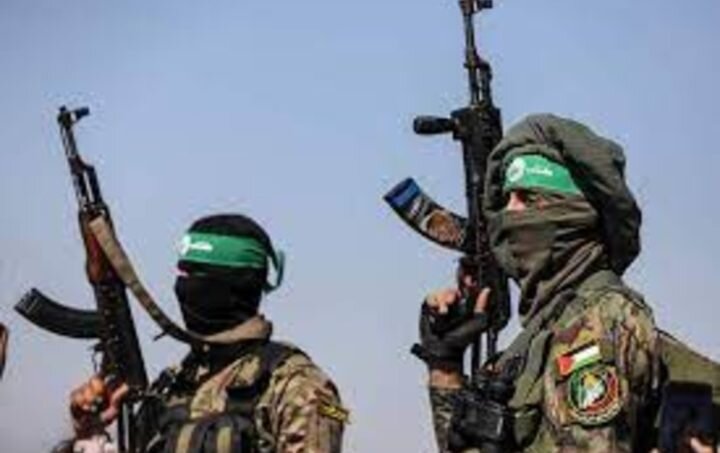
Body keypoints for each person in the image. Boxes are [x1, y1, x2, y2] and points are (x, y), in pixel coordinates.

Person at [413, 114, 715, 452]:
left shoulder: (600, 321)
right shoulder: (539, 337)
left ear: (574, 214)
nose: (510, 214)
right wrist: (445, 368)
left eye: (528, 199)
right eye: (508, 199)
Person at [60, 213, 348, 453]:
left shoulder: (299, 387)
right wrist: (89, 435)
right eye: (182, 274)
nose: (183, 287)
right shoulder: (171, 388)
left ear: (236, 283)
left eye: (196, 274)